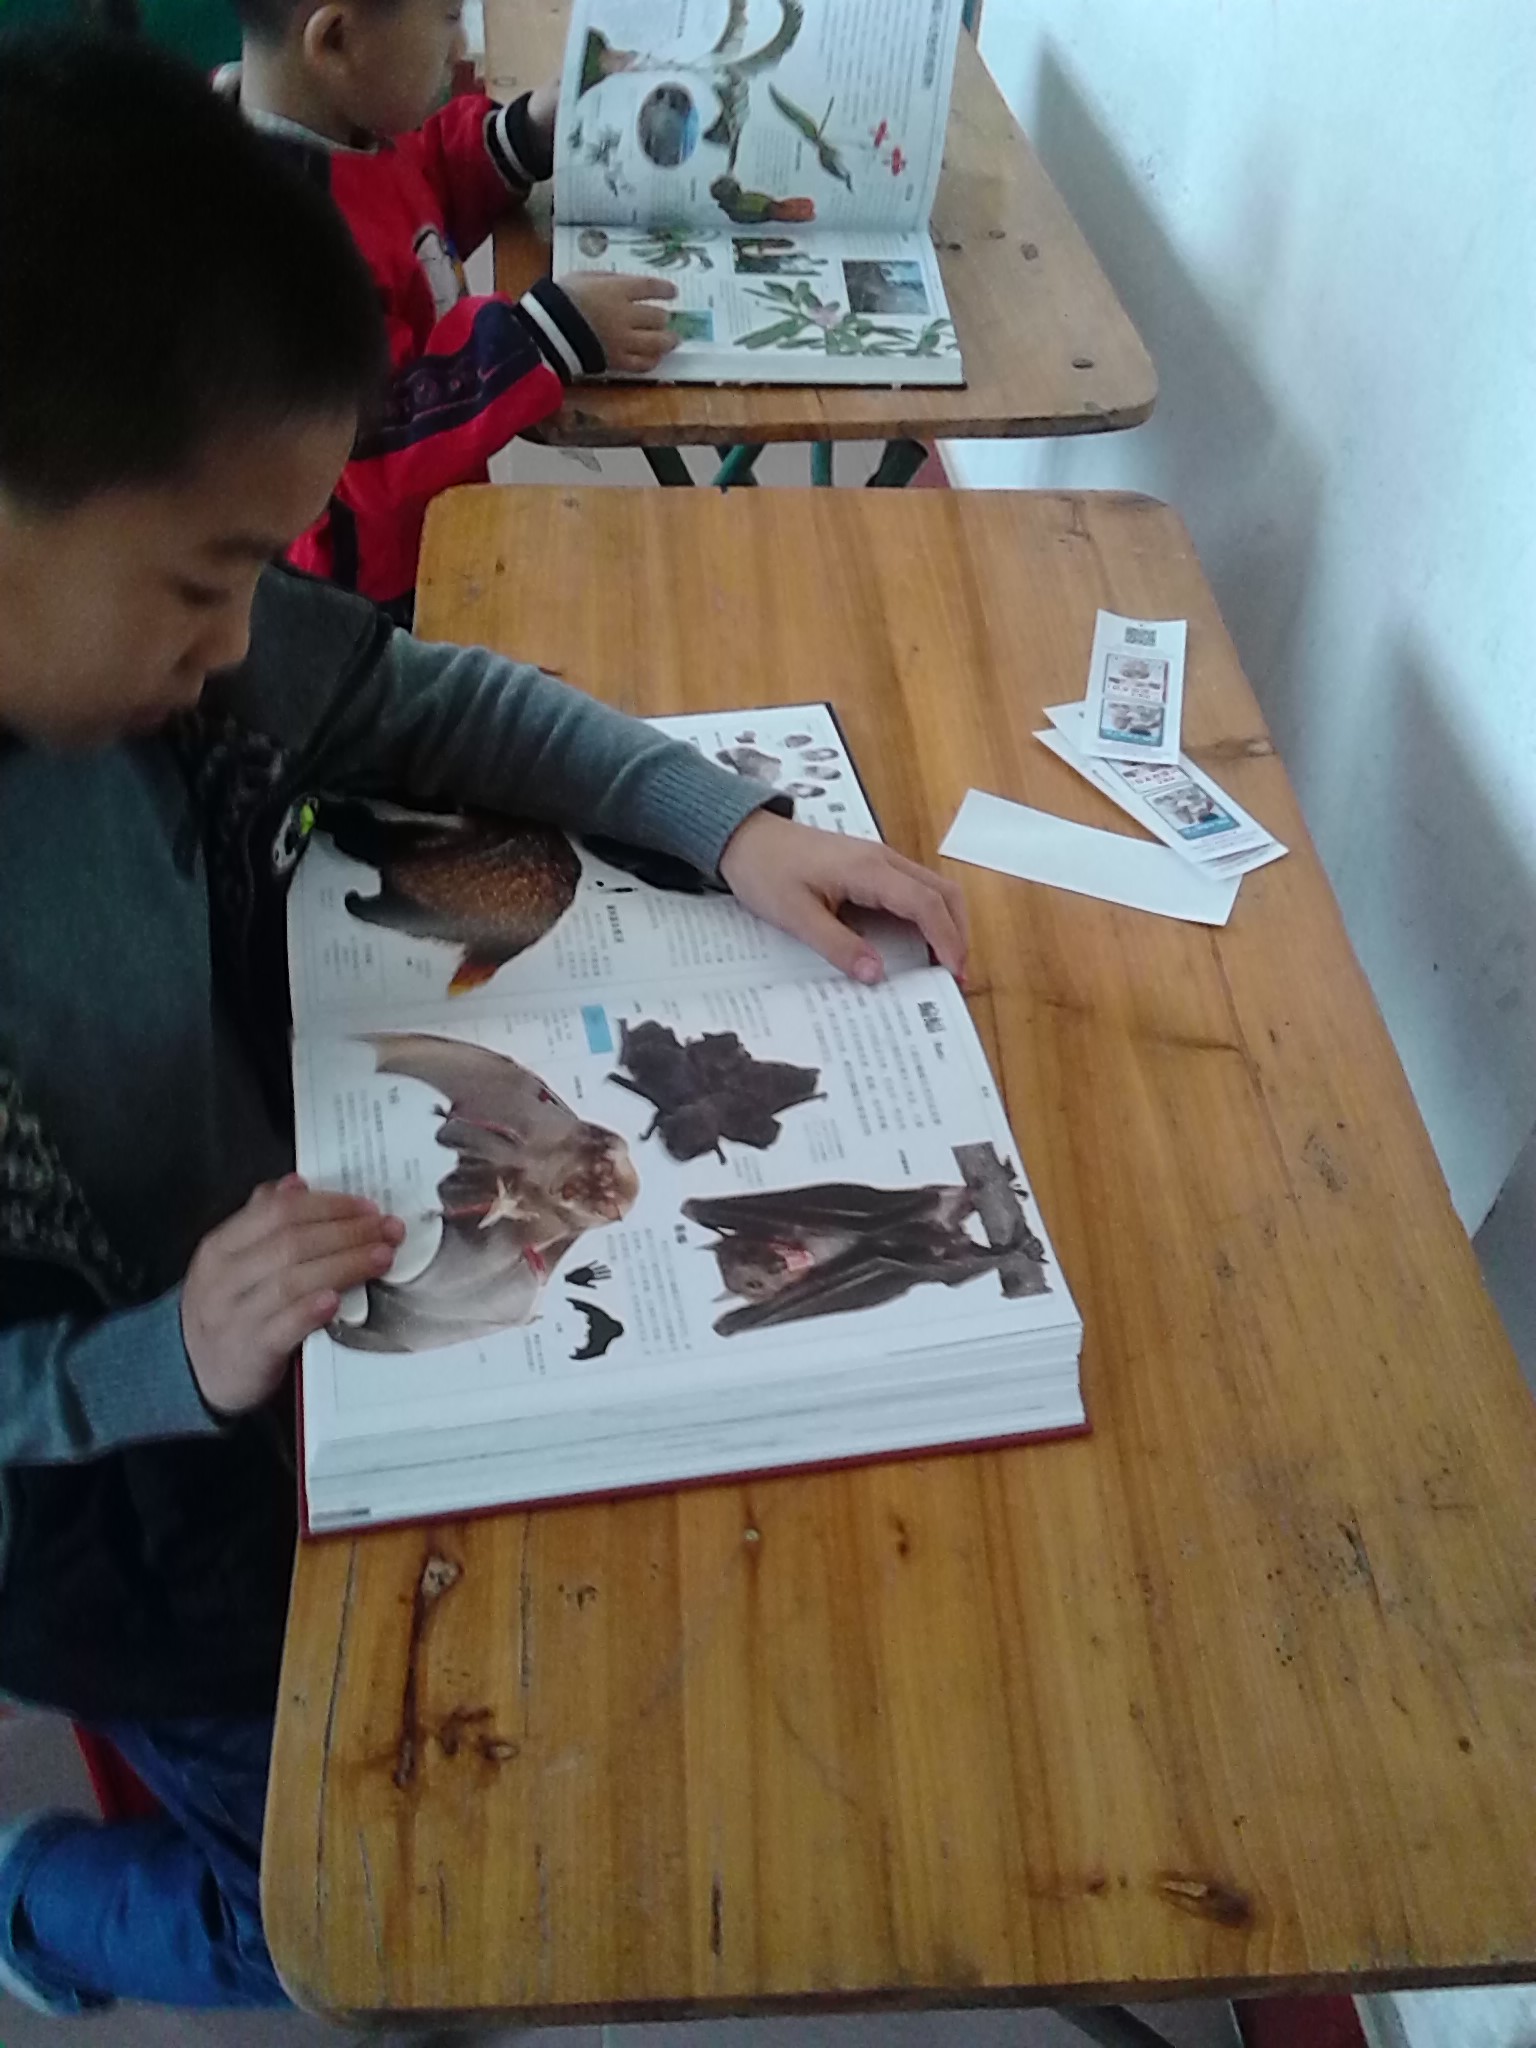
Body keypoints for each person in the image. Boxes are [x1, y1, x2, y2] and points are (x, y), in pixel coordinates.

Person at [0, 29, 967, 2014]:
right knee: (332, 1914)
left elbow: (408, 697)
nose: (238, 643)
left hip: (296, 1316)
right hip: (109, 1523)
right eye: (203, 582)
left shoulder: (170, 638)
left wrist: (731, 823)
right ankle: (35, 1901)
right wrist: (160, 1355)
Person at [226, 0, 678, 620]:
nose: (462, 47)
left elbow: (416, 181)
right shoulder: (283, 249)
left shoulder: (345, 133)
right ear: (336, 42)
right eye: (447, 17)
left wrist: (524, 135)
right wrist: (541, 336)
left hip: (435, 531)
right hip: (376, 603)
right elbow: (369, 443)